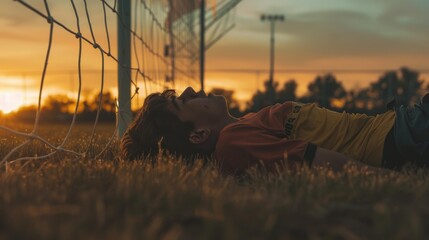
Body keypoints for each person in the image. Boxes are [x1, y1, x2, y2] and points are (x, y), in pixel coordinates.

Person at [120, 87, 429, 176]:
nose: (189, 89)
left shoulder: (242, 127)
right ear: (198, 135)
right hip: (402, 136)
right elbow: (317, 162)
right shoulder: (232, 143)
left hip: (403, 126)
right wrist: (392, 179)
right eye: (182, 102)